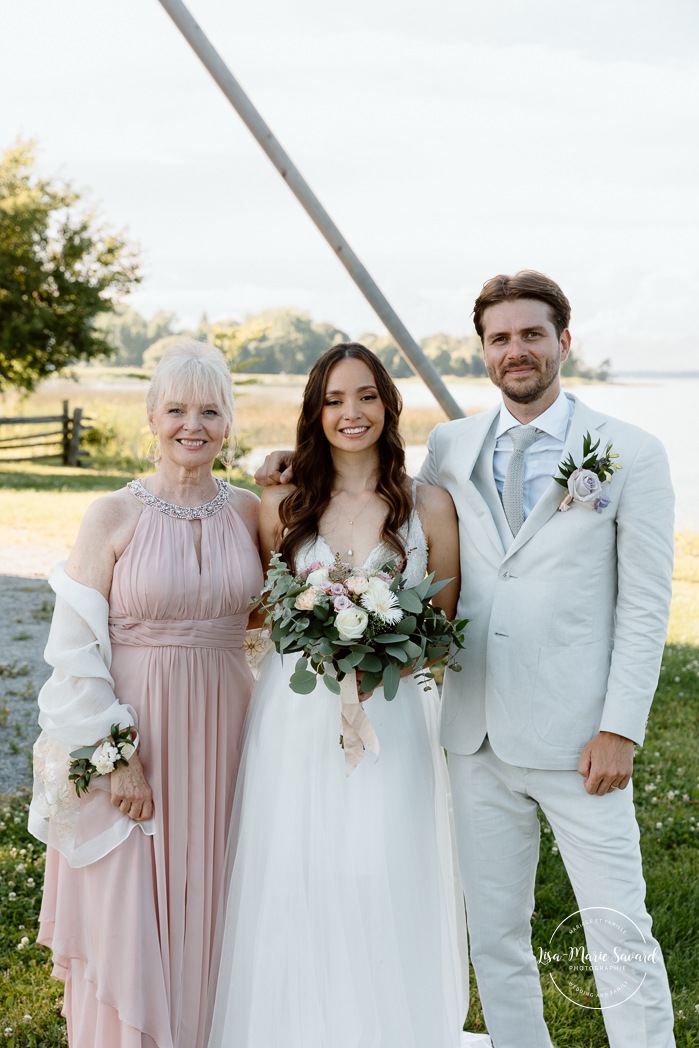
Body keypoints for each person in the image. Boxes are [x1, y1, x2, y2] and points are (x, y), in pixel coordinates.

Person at [254, 273, 676, 1048]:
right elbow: (371, 483)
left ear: (562, 342)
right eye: (499, 338)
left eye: (530, 335)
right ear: (482, 351)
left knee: (618, 932)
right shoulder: (453, 445)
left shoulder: (628, 453)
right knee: (495, 939)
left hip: (580, 736)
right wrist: (288, 459)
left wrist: (620, 727)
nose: (515, 351)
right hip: (471, 734)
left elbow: (647, 606)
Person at [207, 343, 488, 1048]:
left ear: (388, 405)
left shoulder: (430, 506)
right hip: (296, 713)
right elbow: (268, 612)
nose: (350, 412)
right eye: (332, 400)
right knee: (296, 864)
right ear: (314, 412)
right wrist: (326, 638)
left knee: (383, 865)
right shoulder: (283, 503)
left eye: (364, 395)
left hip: (395, 711)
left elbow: (441, 625)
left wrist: (377, 645)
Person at [28, 341, 264, 1048]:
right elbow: (74, 649)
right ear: (150, 419)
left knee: (222, 894)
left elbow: (275, 608)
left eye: (209, 410)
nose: (192, 424)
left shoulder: (253, 512)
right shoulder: (110, 515)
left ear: (228, 425)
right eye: (175, 409)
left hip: (230, 730)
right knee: (132, 904)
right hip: (135, 736)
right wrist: (114, 755)